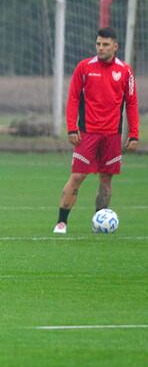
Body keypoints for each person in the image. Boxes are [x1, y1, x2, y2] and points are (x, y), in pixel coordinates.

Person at [54, 27, 139, 234]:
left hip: (112, 136)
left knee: (106, 180)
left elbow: (132, 102)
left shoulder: (125, 71)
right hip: (87, 134)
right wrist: (72, 128)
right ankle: (61, 223)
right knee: (77, 177)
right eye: (98, 44)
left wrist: (134, 133)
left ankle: (99, 223)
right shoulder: (84, 68)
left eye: (105, 44)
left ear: (115, 46)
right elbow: (73, 98)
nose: (101, 48)